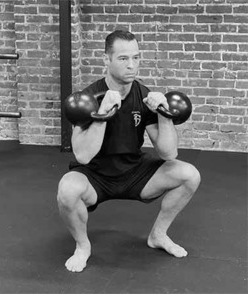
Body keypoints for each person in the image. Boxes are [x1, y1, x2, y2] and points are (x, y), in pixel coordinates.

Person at [57, 30, 201, 273]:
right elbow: (82, 156)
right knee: (67, 190)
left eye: (136, 58)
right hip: (96, 176)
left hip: (135, 173)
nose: (132, 65)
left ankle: (158, 235)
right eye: (123, 58)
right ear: (107, 59)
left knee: (189, 175)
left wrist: (163, 114)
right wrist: (103, 112)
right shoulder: (88, 98)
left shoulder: (144, 96)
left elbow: (168, 154)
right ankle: (83, 246)